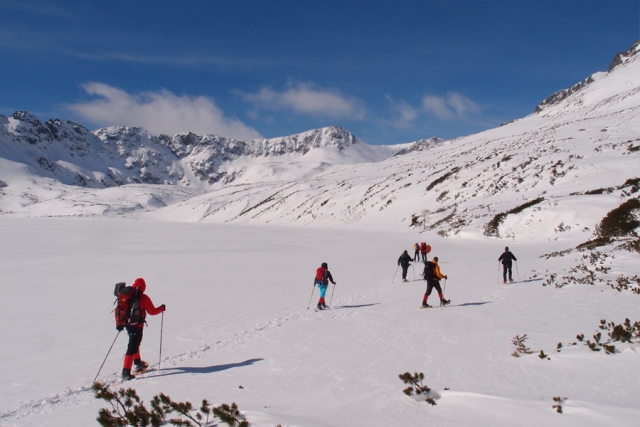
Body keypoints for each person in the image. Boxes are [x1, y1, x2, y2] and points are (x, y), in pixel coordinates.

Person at [118, 278, 166, 380]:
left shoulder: (127, 296)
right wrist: (162, 308)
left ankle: (138, 362)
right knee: (132, 347)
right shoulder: (143, 298)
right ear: (143, 287)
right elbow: (152, 311)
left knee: (135, 344)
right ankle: (126, 372)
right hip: (137, 326)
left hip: (128, 324)